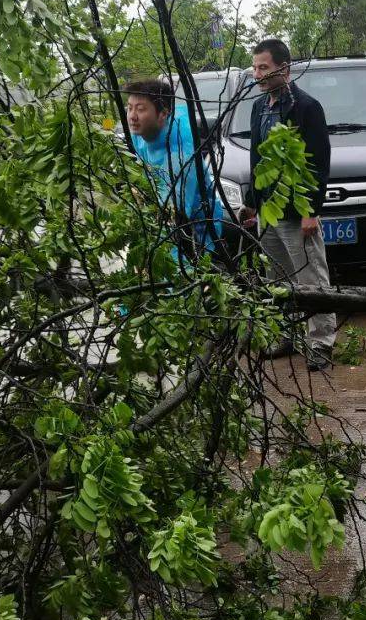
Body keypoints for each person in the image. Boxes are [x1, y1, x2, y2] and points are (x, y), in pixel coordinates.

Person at [241, 38, 335, 371]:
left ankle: (321, 342)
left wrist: (312, 210)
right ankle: (287, 336)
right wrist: (252, 203)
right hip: (269, 211)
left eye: (263, 67)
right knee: (277, 279)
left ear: (285, 68)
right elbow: (257, 159)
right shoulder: (258, 107)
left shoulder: (306, 107)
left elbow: (318, 163)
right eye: (255, 67)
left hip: (297, 212)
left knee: (311, 278)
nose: (258, 74)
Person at [125, 78, 222, 259]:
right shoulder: (140, 133)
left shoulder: (180, 148)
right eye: (129, 108)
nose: (132, 116)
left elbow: (174, 211)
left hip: (194, 232)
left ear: (163, 114)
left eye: (140, 109)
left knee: (183, 277)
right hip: (162, 218)